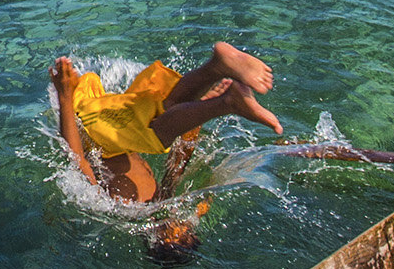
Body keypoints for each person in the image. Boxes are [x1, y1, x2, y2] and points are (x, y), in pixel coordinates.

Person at [51, 43, 286, 207]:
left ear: (156, 241)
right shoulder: (160, 201)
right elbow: (177, 164)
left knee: (156, 136)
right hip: (118, 130)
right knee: (167, 108)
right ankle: (216, 68)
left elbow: (77, 160)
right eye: (186, 231)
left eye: (177, 234)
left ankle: (228, 102)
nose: (181, 223)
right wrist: (196, 114)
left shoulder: (121, 208)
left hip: (92, 129)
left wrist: (65, 96)